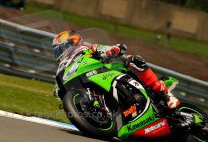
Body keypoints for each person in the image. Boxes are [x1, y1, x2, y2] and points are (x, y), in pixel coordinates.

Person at [52, 30, 191, 125]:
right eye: (57, 50)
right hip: (94, 86)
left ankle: (166, 96)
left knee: (133, 60)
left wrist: (114, 49)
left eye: (61, 48)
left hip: (112, 73)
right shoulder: (63, 69)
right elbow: (58, 91)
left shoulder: (86, 50)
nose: (60, 52)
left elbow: (104, 49)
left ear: (71, 43)